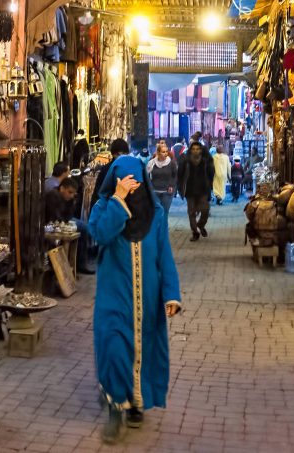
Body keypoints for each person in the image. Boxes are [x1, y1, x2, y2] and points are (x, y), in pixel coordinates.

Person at [88, 155, 182, 443]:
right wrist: (118, 200)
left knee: (144, 353)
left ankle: (137, 404)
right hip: (113, 300)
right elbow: (99, 235)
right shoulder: (104, 209)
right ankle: (116, 410)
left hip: (147, 303)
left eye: (136, 186)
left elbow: (164, 256)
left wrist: (171, 294)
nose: (133, 192)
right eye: (126, 185)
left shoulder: (155, 215)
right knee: (115, 350)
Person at [44, 177, 90, 272]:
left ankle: (79, 263)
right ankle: (78, 264)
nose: (72, 195)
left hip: (63, 220)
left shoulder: (68, 199)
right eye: (70, 192)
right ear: (62, 188)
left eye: (73, 193)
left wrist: (72, 202)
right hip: (53, 223)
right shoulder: (53, 195)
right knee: (83, 228)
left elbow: (68, 216)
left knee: (84, 227)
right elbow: (55, 216)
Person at [177, 142, 215, 241]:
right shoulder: (186, 161)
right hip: (190, 191)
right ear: (190, 150)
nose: (195, 151)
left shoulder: (205, 161)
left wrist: (210, 185)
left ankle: (201, 225)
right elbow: (180, 175)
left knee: (205, 211)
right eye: (193, 149)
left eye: (197, 149)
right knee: (191, 213)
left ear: (201, 150)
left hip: (203, 190)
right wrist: (180, 188)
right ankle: (195, 232)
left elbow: (211, 174)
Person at [147, 143, 177, 214]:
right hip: (155, 191)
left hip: (167, 192)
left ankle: (164, 225)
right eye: (163, 152)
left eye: (167, 151)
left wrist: (171, 185)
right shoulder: (152, 163)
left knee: (164, 212)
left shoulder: (171, 163)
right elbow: (147, 175)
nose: (166, 153)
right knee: (156, 213)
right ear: (158, 153)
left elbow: (175, 175)